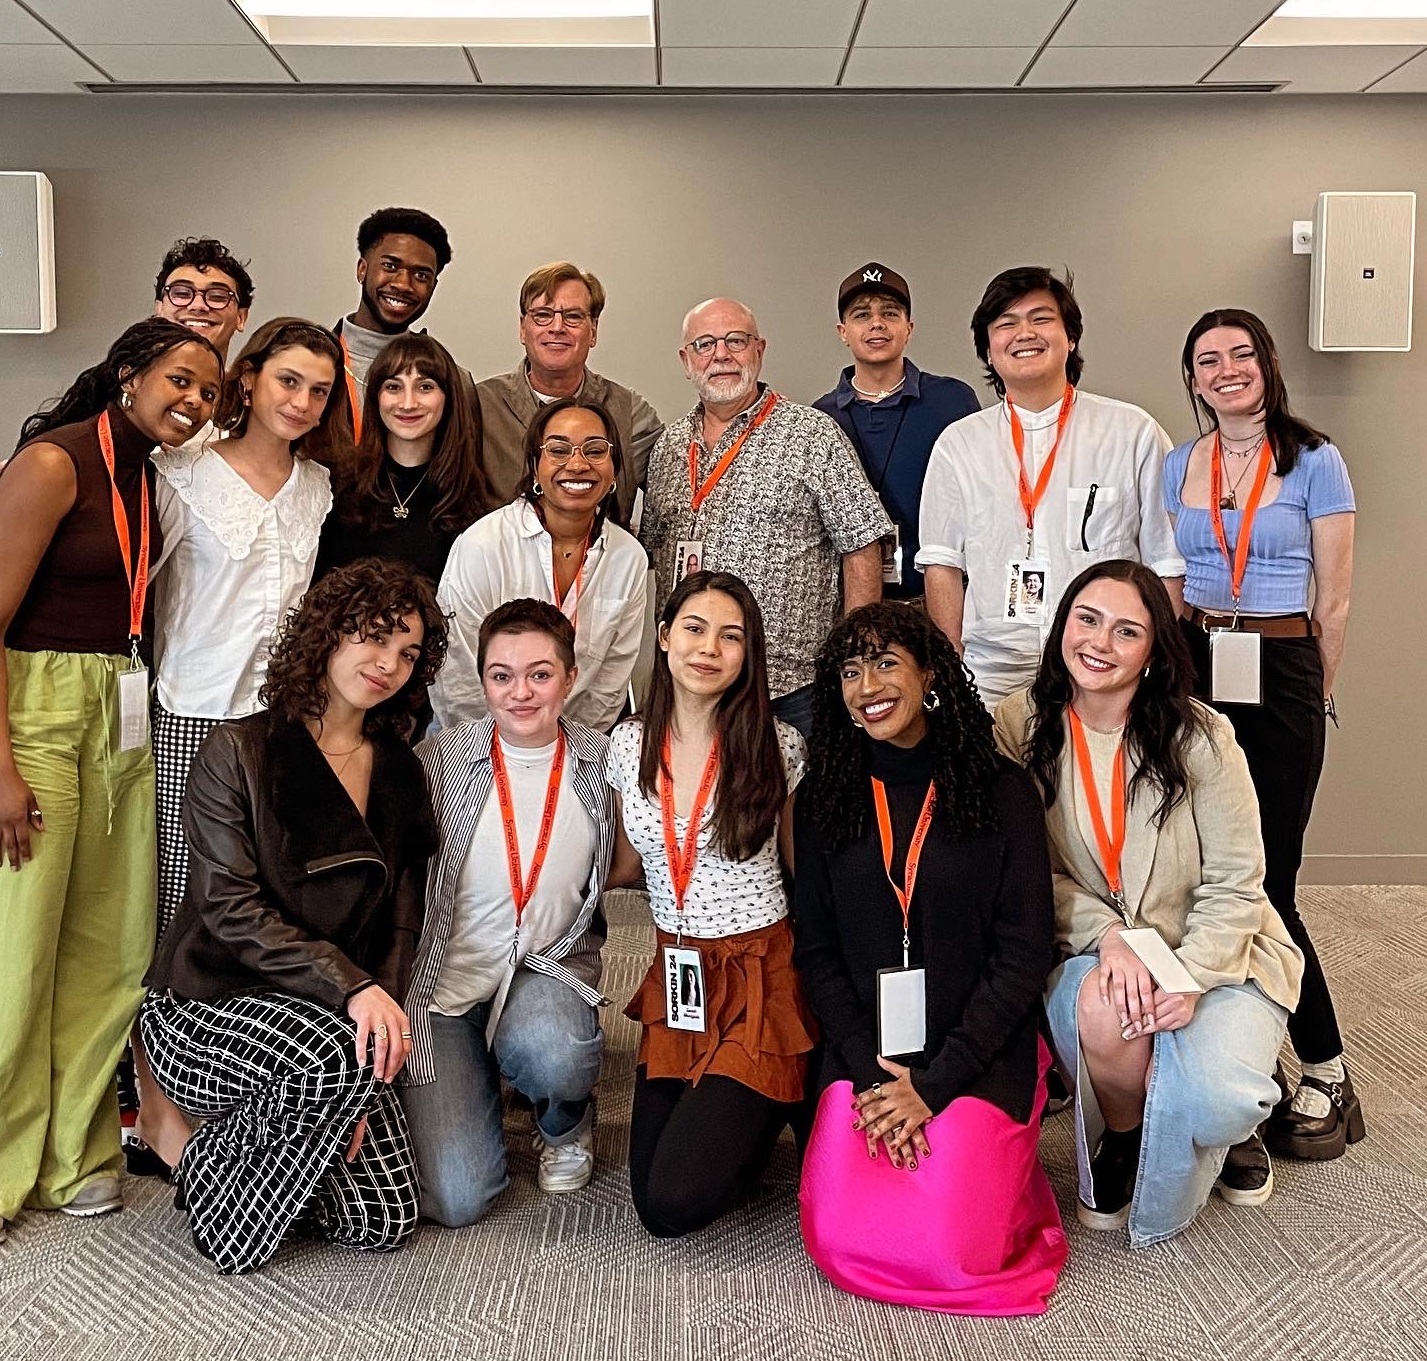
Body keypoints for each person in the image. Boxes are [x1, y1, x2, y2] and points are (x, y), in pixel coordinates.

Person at [139, 560, 447, 1274]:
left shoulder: (401, 768)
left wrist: (364, 1086)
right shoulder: (238, 749)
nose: (389, 664)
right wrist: (350, 994)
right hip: (209, 1002)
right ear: (328, 633)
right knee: (336, 1058)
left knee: (384, 1219)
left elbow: (400, 927)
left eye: (408, 652)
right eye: (374, 638)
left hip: (328, 1021)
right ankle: (182, 1142)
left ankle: (288, 1136)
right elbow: (227, 908)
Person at [995, 559, 1304, 1246]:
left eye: (1125, 630)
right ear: (1062, 623)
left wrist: (1189, 977)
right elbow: (1018, 873)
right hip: (1087, 943)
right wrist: (1108, 935)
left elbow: (1235, 882)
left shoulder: (1201, 736)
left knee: (1220, 1099)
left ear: (1152, 650)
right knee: (1106, 1014)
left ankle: (1228, 1130)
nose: (1099, 642)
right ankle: (1128, 1137)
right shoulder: (1017, 723)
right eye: (1087, 618)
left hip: (1213, 945)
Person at [0, 319, 221, 1240]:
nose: (194, 401)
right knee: (21, 952)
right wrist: (3, 769)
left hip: (122, 705)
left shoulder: (152, 472)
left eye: (209, 392)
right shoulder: (54, 463)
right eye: (180, 379)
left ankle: (75, 1153)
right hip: (40, 707)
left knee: (113, 949)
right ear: (129, 372)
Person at [793, 602, 1066, 1314]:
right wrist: (869, 1072)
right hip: (865, 1053)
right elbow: (816, 952)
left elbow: (1023, 950)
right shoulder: (820, 798)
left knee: (951, 1248)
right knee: (839, 1235)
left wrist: (935, 1082)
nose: (866, 685)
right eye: (849, 670)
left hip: (979, 1047)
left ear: (930, 673)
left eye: (885, 662)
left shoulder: (1002, 792)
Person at [129, 319, 346, 1174]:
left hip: (275, 731)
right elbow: (141, 595)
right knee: (177, 912)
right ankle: (152, 1102)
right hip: (190, 716)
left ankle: (221, 1087)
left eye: (319, 390)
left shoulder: (319, 487)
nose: (300, 401)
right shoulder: (178, 474)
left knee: (252, 911)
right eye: (287, 381)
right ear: (248, 379)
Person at [1165, 309, 1359, 1160]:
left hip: (1280, 668)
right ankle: (1240, 1055)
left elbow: (1337, 597)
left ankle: (1327, 1067)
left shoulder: (1315, 460)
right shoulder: (1180, 463)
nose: (1226, 369)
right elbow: (1170, 585)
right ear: (1194, 379)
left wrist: (1316, 694)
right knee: (1198, 872)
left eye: (1240, 353)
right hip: (1198, 661)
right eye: (1208, 360)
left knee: (1268, 878)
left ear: (1265, 365)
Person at [607, 571, 815, 1237]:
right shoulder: (627, 744)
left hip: (762, 975)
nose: (709, 647)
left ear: (748, 654)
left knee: (677, 1200)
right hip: (678, 977)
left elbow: (801, 871)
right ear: (664, 637)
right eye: (694, 628)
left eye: (731, 636)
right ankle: (756, 1113)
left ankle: (784, 1086)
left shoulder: (777, 745)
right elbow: (625, 862)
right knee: (650, 1196)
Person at [402, 599, 613, 1225]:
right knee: (458, 1198)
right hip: (447, 984)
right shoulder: (439, 760)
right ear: (482, 679)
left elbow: (626, 867)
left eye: (540, 674)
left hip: (544, 969)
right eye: (502, 675)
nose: (521, 692)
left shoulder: (603, 764)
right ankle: (480, 1073)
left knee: (558, 1052)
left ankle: (564, 1118)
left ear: (570, 678)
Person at [918, 266, 1184, 709]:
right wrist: (952, 664)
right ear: (987, 347)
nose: (1024, 333)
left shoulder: (1132, 432)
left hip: (1105, 666)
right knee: (997, 777)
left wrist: (1152, 662)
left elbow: (1168, 560)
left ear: (1071, 337)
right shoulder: (959, 444)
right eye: (1006, 323)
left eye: (1041, 318)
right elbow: (942, 563)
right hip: (992, 671)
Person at [641, 297, 892, 737]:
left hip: (791, 690)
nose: (721, 355)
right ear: (686, 360)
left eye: (736, 341)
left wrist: (854, 657)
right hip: (693, 686)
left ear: (759, 350)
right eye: (704, 344)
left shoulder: (811, 433)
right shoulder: (669, 446)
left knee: (799, 806)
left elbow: (862, 545)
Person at [432, 397, 647, 735]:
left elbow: (611, 678)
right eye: (558, 450)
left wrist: (569, 748)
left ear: (614, 470)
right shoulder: (483, 545)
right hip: (478, 743)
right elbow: (456, 671)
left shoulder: (629, 558)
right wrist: (498, 750)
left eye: (594, 450)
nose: (577, 465)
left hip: (575, 745)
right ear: (535, 465)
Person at [813, 263, 979, 600]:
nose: (877, 323)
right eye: (862, 315)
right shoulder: (820, 418)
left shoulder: (953, 401)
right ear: (842, 331)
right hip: (853, 602)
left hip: (940, 598)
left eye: (890, 313)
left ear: (909, 328)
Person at [477, 261, 661, 526]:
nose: (557, 327)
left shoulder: (630, 413)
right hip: (497, 565)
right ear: (522, 328)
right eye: (543, 315)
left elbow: (674, 497)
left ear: (594, 330)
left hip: (600, 563)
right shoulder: (479, 406)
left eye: (573, 316)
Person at [317, 332, 492, 585]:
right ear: (376, 397)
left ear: (449, 398)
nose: (408, 403)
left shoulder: (470, 502)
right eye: (393, 387)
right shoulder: (337, 486)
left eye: (425, 387)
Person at [333, 206, 478, 439]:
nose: (403, 284)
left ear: (433, 286)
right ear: (362, 270)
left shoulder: (453, 380)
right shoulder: (313, 365)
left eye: (421, 275)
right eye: (390, 266)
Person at [152, 235, 253, 366]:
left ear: (240, 318)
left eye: (217, 296)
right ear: (159, 309)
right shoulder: (128, 383)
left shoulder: (255, 385)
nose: (198, 305)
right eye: (182, 293)